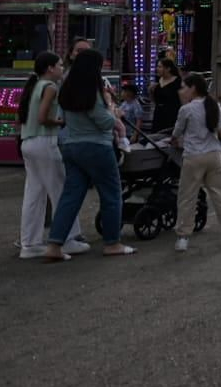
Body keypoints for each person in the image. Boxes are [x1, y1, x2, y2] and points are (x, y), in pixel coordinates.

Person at [43, 48, 135, 260]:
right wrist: (113, 113)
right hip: (96, 147)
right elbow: (103, 122)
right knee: (111, 194)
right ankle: (112, 243)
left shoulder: (66, 89)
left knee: (71, 196)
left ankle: (54, 245)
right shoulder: (91, 91)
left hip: (70, 146)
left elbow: (61, 117)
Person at [17, 52, 89, 258]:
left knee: (34, 193)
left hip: (28, 142)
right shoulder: (50, 87)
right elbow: (43, 117)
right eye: (59, 65)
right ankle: (68, 238)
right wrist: (60, 122)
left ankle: (29, 244)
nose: (62, 69)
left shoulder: (34, 86)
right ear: (49, 68)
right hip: (45, 141)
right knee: (61, 191)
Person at [171, 74, 221, 252]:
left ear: (193, 88)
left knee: (187, 197)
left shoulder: (186, 110)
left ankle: (183, 237)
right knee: (220, 194)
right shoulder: (214, 106)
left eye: (183, 87)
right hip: (214, 155)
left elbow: (176, 133)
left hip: (193, 157)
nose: (181, 91)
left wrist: (174, 140)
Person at [150, 57, 183, 132]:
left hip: (171, 114)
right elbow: (155, 100)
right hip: (158, 113)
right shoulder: (159, 81)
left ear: (168, 69)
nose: (157, 69)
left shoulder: (177, 82)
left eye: (160, 67)